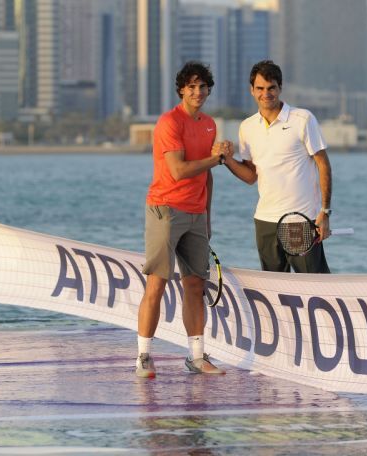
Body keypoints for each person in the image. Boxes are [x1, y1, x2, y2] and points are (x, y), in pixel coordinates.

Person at [136, 61, 232, 378]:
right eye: (191, 86)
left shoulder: (209, 125)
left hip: (196, 214)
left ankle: (196, 357)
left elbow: (208, 174)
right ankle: (144, 357)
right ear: (181, 89)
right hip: (165, 210)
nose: (198, 92)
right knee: (157, 285)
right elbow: (178, 170)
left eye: (203, 87)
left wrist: (207, 215)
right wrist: (216, 159)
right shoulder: (168, 123)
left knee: (195, 286)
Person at [223, 60, 333, 274]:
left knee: (316, 289)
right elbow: (250, 176)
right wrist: (227, 160)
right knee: (274, 291)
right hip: (265, 222)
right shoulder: (247, 127)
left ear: (280, 88)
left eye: (271, 87)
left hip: (299, 221)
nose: (266, 93)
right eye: (260, 88)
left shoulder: (303, 119)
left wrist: (325, 212)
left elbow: (323, 165)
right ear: (252, 91)